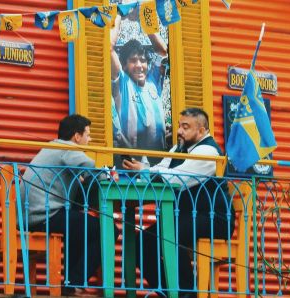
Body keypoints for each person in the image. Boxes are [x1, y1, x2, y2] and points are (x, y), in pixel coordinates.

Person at [123, 108, 235, 297]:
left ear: (201, 131)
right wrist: (141, 168)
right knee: (141, 241)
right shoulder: (178, 148)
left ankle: (186, 292)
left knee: (170, 234)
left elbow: (177, 178)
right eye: (179, 126)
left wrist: (146, 172)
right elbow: (161, 168)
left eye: (186, 127)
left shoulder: (208, 151)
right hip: (187, 216)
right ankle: (170, 291)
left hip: (214, 219)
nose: (180, 131)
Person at [20, 114, 118, 297]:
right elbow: (89, 166)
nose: (89, 139)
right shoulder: (67, 148)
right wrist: (107, 176)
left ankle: (71, 286)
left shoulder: (53, 147)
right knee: (109, 229)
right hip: (43, 215)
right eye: (87, 135)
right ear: (76, 136)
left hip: (32, 214)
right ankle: (75, 283)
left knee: (80, 225)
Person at [111, 13, 168, 152]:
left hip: (159, 162)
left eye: (142, 60)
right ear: (123, 65)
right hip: (130, 162)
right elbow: (109, 47)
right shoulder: (122, 83)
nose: (139, 65)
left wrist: (144, 18)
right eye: (133, 60)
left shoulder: (153, 80)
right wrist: (119, 14)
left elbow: (162, 51)